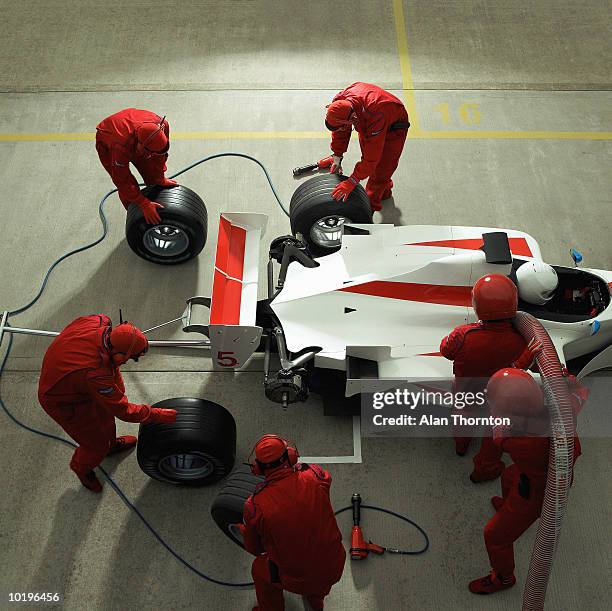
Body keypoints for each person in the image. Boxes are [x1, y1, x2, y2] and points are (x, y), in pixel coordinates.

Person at [469, 367, 585, 594]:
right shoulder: (564, 409)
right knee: (507, 476)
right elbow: (576, 388)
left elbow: (497, 433)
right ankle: (507, 510)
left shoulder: (517, 441)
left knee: (494, 536)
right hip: (544, 475)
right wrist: (560, 378)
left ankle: (502, 577)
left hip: (537, 492)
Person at [38, 315, 177, 492]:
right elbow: (124, 411)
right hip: (62, 400)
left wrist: (118, 389)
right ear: (119, 353)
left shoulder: (100, 321)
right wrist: (159, 415)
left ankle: (110, 446)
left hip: (76, 381)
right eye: (131, 358)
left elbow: (112, 372)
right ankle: (81, 468)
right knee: (95, 445)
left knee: (106, 418)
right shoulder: (95, 374)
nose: (129, 361)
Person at [440, 274, 542, 481]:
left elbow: (445, 349)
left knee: (462, 421)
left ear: (477, 306)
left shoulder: (463, 336)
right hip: (499, 400)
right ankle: (484, 469)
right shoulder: (522, 342)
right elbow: (517, 370)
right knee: (494, 435)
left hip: (467, 394)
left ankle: (461, 447)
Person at [239, 434, 345, 611]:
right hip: (334, 567)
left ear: (257, 467)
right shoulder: (316, 475)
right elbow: (324, 484)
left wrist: (244, 529)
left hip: (297, 579)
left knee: (259, 568)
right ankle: (316, 602)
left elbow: (255, 549)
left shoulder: (255, 506)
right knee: (319, 570)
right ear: (290, 455)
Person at [319, 82, 409, 212]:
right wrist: (337, 157)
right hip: (367, 116)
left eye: (344, 126)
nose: (343, 129)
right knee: (371, 164)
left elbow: (371, 158)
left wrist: (352, 181)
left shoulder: (376, 116)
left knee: (382, 167)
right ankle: (385, 191)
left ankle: (369, 208)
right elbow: (341, 131)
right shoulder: (340, 102)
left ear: (352, 118)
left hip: (393, 124)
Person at [95, 108, 178, 224]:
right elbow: (122, 179)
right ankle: (136, 217)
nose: (151, 155)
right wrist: (142, 203)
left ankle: (153, 205)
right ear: (140, 145)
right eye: (149, 152)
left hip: (134, 133)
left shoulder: (163, 125)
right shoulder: (119, 147)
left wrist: (160, 177)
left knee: (151, 172)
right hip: (109, 139)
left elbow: (160, 156)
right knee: (127, 188)